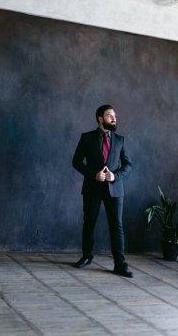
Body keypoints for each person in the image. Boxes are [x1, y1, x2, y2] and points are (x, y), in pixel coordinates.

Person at [72, 104, 133, 278]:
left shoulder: (120, 140)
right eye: (110, 116)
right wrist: (93, 175)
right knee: (89, 223)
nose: (114, 118)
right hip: (92, 188)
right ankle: (86, 256)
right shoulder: (86, 138)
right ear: (100, 119)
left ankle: (120, 264)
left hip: (115, 189)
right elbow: (76, 162)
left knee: (117, 227)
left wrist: (114, 176)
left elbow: (128, 165)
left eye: (115, 115)